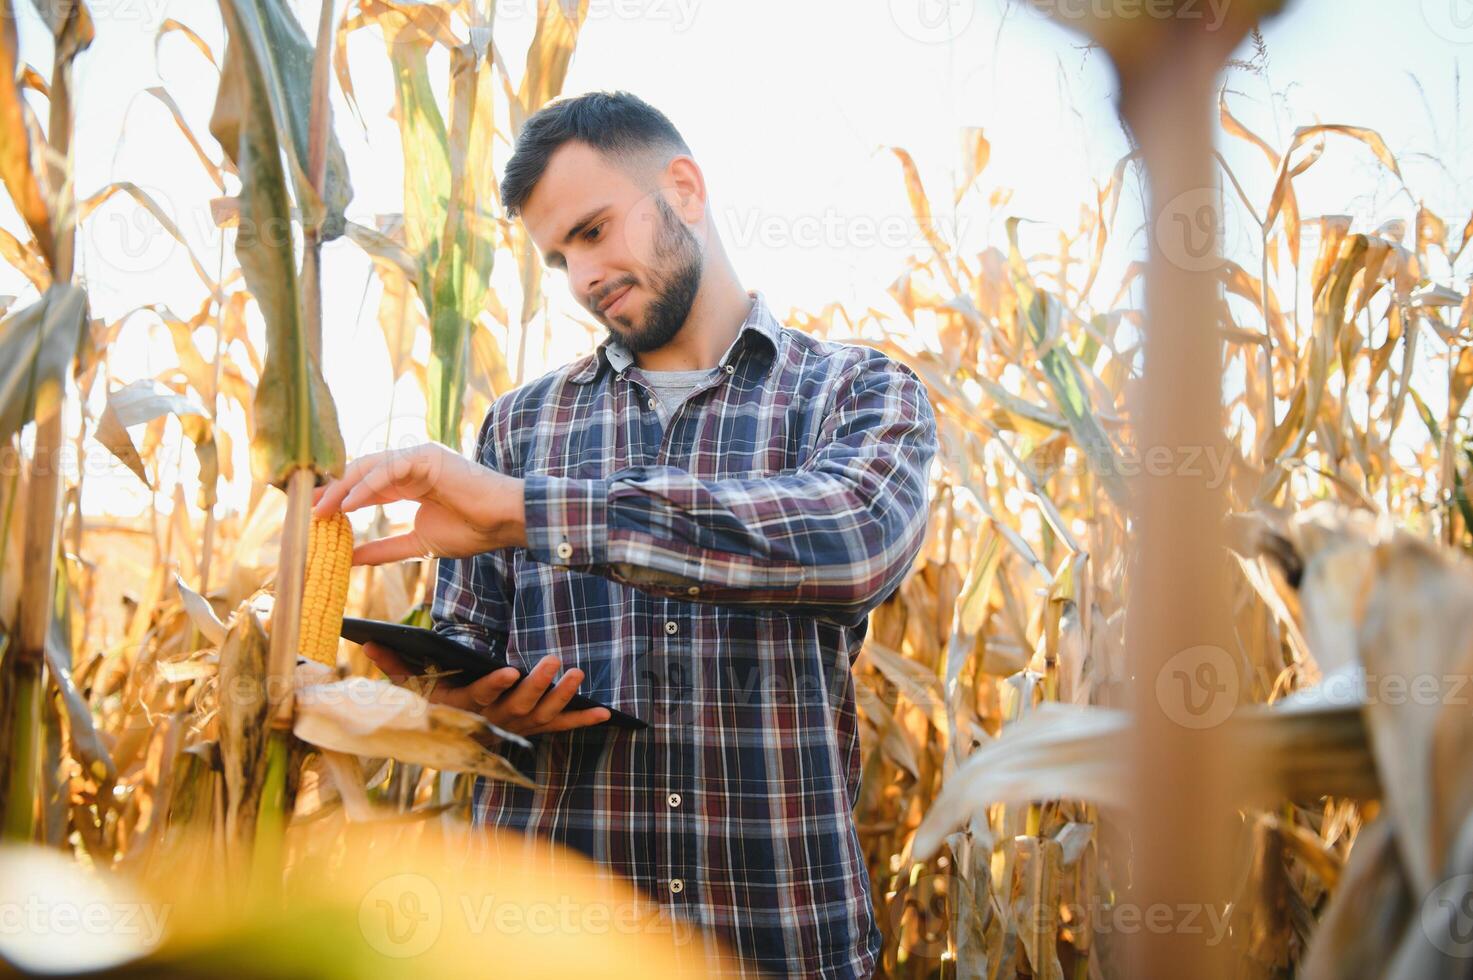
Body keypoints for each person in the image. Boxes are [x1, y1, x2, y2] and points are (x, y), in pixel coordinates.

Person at [312, 90, 938, 978]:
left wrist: (528, 510)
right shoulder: (519, 428)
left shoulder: (853, 392)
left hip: (778, 937)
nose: (583, 276)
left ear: (683, 188)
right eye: (560, 256)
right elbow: (461, 644)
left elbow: (852, 544)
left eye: (596, 230)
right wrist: (467, 697)